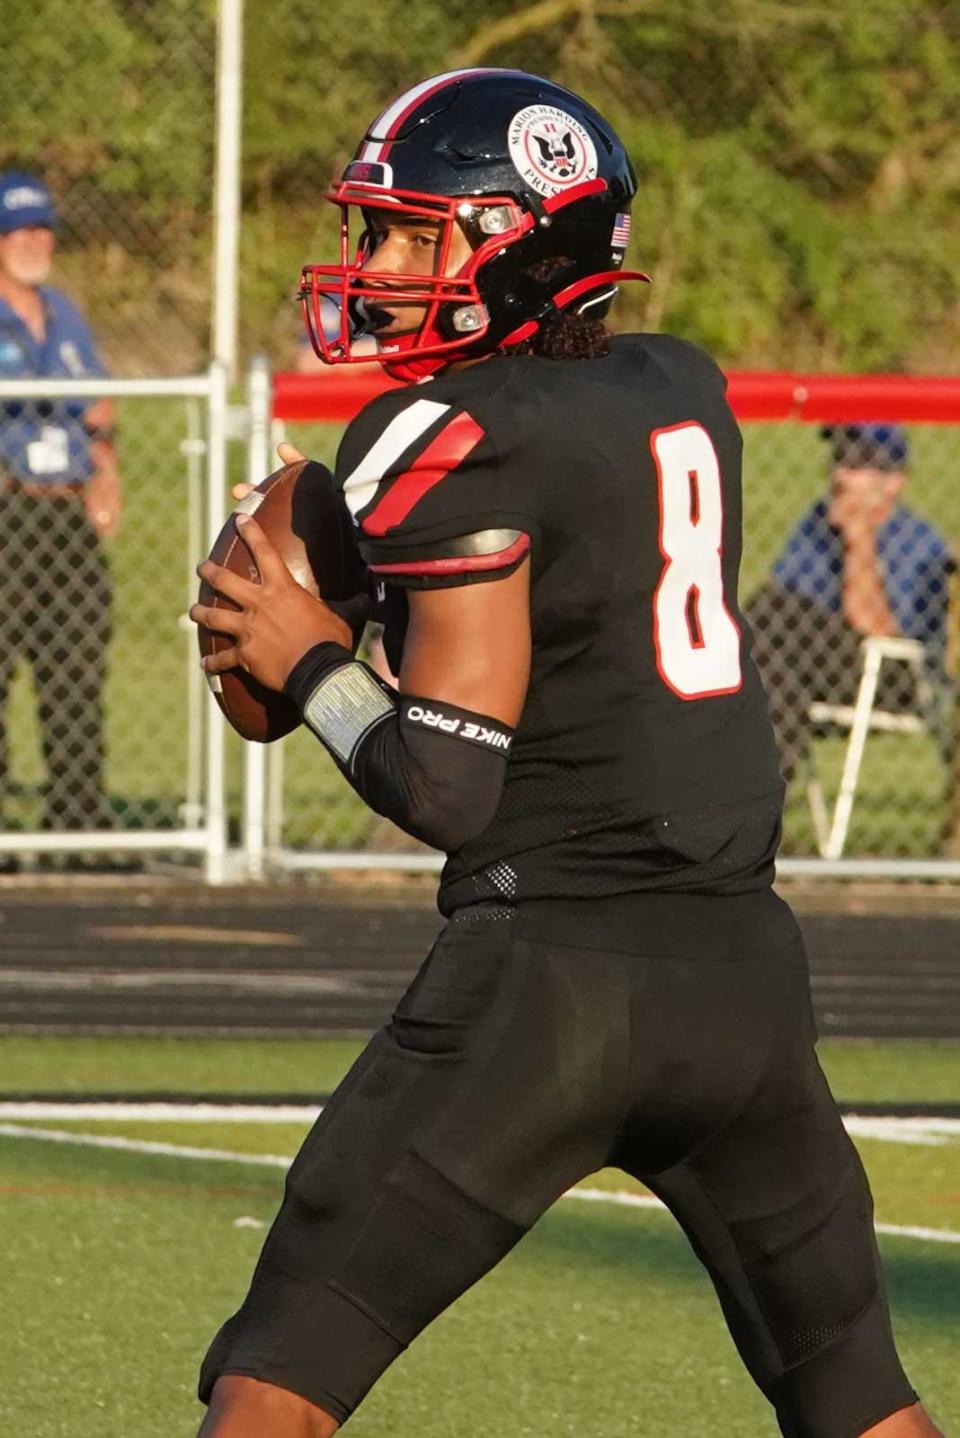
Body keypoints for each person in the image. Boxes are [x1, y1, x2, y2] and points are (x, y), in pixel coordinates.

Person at [190, 70, 944, 1438]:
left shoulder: (449, 435)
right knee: (860, 1402)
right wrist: (356, 563)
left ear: (514, 242)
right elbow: (575, 547)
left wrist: (309, 654)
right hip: (745, 983)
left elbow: (444, 783)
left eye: (410, 235)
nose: (371, 268)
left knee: (271, 1389)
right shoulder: (679, 387)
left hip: (553, 983)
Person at [0, 169, 121, 834]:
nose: (32, 240)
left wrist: (105, 474)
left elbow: (98, 406)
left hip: (64, 510)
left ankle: (78, 823)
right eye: (16, 229)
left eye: (41, 227)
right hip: (6, 511)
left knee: (76, 659)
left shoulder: (63, 312)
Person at [747, 424, 955, 784]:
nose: (840, 475)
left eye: (858, 463)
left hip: (887, 676)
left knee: (773, 624)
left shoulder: (919, 542)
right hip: (800, 667)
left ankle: (754, 802)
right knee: (768, 660)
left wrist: (860, 541)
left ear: (893, 482)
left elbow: (882, 636)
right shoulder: (816, 524)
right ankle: (757, 794)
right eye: (840, 458)